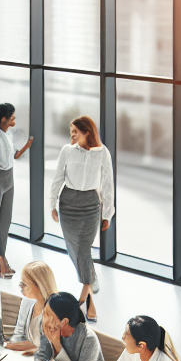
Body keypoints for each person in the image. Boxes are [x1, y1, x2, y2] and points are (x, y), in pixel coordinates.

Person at [49, 116, 114, 321]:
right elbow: (58, 177)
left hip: (90, 205)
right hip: (68, 203)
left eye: (76, 131)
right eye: (71, 131)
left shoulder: (103, 153)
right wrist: (52, 204)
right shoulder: (66, 151)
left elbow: (107, 184)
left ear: (87, 132)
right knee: (74, 250)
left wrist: (107, 214)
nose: (72, 134)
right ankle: (90, 285)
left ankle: (84, 299)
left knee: (84, 249)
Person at [0, 103, 33, 280]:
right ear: (3, 119)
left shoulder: (7, 135)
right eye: (12, 118)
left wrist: (28, 145)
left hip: (9, 180)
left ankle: (2, 258)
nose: (14, 120)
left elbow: (14, 156)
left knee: (6, 222)